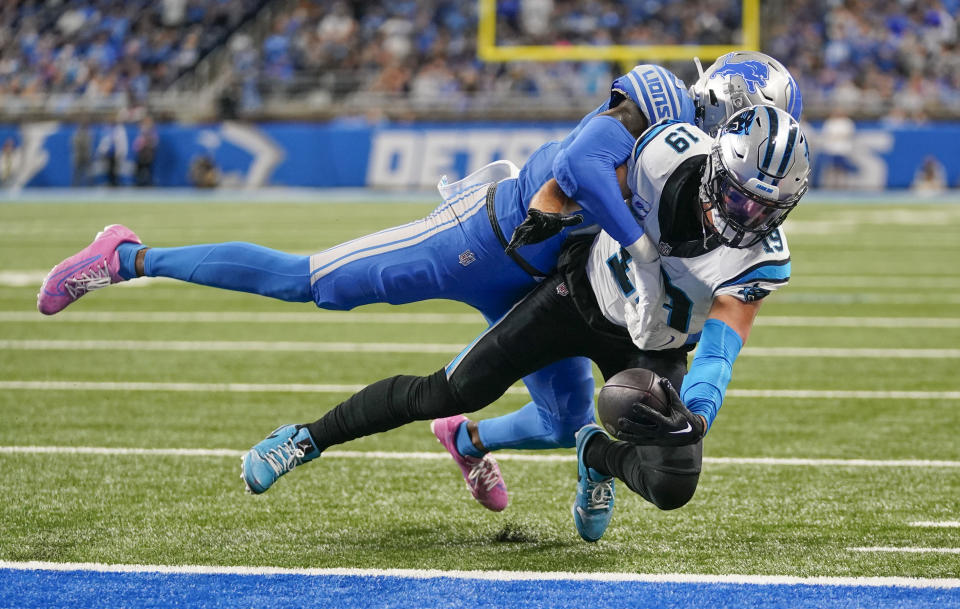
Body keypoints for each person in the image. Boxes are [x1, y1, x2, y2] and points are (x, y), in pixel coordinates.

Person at [36, 53, 801, 512]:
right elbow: (578, 171)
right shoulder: (658, 111)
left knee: (571, 422)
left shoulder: (720, 186)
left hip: (553, 282)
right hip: (485, 241)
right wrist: (636, 246)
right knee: (314, 283)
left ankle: (466, 443)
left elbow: (723, 293)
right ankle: (128, 255)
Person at [236, 106, 810, 546]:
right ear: (716, 163)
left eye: (765, 210)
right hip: (576, 295)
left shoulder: (760, 257)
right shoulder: (664, 155)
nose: (746, 218)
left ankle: (594, 456)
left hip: (652, 347)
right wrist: (565, 213)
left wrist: (700, 413)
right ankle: (305, 438)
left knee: (672, 486)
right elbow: (573, 174)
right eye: (739, 198)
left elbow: (721, 344)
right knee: (450, 391)